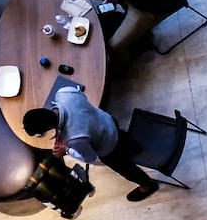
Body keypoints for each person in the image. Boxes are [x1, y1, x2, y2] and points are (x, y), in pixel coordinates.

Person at [23, 85, 161, 202]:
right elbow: (81, 98)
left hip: (109, 147)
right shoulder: (64, 93)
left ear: (45, 130)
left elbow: (90, 157)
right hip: (108, 122)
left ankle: (146, 185)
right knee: (123, 138)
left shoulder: (75, 139)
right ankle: (135, 148)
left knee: (127, 169)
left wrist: (66, 150)